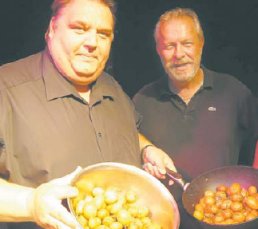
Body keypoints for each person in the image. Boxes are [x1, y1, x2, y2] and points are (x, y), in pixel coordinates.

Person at [0, 1, 176, 228]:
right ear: (52, 29)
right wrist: (31, 203)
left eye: (103, 34)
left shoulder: (113, 88)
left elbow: (129, 130)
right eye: (79, 29)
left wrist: (146, 149)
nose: (92, 42)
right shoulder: (6, 88)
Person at [133, 7, 258, 228]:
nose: (179, 54)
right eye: (170, 45)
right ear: (158, 50)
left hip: (226, 218)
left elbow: (252, 148)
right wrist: (145, 155)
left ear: (201, 43)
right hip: (165, 220)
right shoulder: (143, 99)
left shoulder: (234, 92)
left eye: (187, 43)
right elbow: (132, 141)